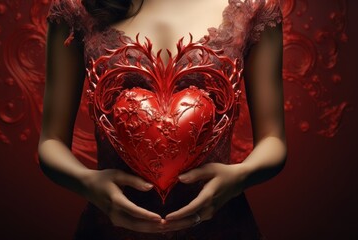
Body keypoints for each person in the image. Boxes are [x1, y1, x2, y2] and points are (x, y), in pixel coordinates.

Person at [38, 0, 287, 239]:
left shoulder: (254, 8)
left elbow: (273, 140)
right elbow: (51, 142)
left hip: (222, 227)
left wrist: (240, 177)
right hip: (110, 229)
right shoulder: (75, 8)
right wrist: (88, 183)